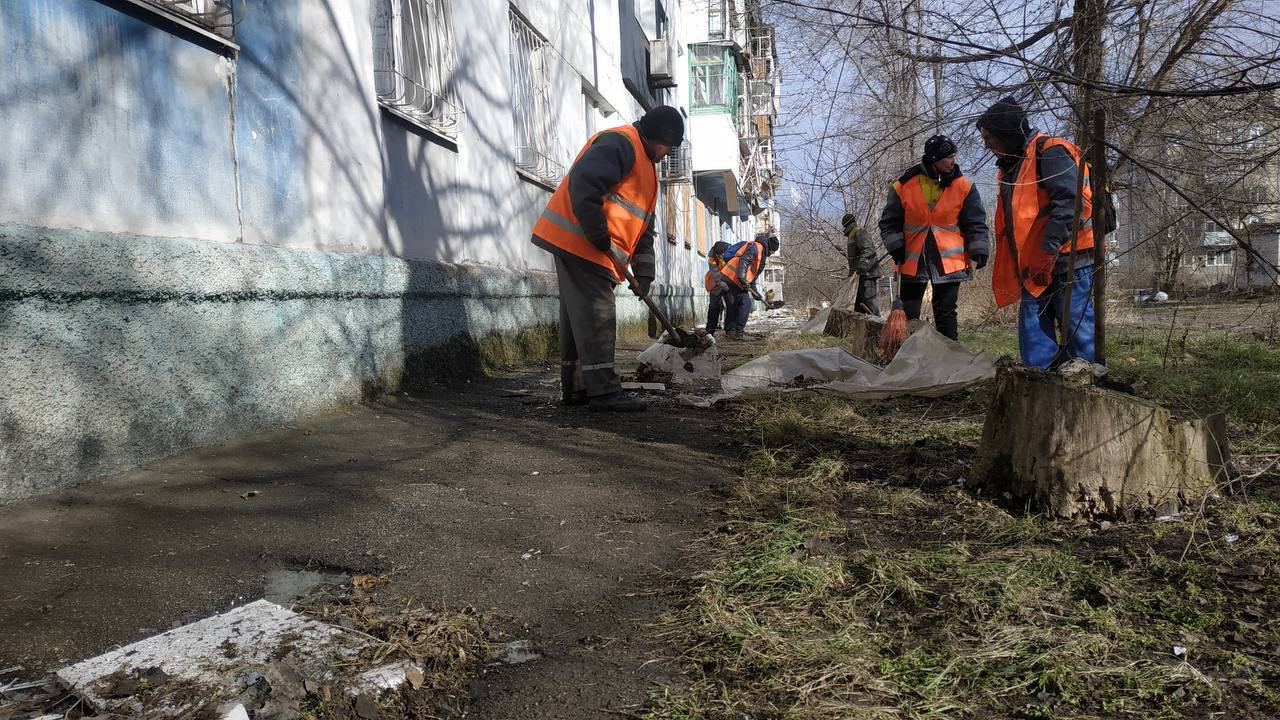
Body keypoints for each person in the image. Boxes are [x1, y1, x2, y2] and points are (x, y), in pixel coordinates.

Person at [531, 105, 683, 411]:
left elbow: (643, 228)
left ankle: (577, 389)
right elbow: (584, 184)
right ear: (658, 137)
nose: (668, 154)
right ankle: (604, 393)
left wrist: (644, 274)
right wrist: (599, 235)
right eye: (668, 147)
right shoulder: (621, 143)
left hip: (589, 249)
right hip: (584, 244)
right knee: (599, 315)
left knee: (580, 321)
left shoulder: (647, 170)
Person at [976, 97, 1097, 369]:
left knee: (1079, 337)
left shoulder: (1050, 153)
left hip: (1069, 262)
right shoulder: (1013, 165)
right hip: (1034, 266)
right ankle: (1041, 386)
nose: (987, 145)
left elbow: (1070, 204)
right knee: (1034, 335)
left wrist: (1048, 250)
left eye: (989, 138)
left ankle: (1086, 386)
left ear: (1006, 133)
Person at [878, 134, 988, 341]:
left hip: (950, 263)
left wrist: (979, 248)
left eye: (953, 156)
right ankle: (909, 356)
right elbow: (888, 223)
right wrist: (895, 246)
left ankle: (950, 357)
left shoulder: (965, 187)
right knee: (909, 313)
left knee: (946, 311)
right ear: (933, 160)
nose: (952, 161)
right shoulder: (902, 187)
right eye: (947, 157)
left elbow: (976, 222)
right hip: (911, 261)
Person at [718, 234, 777, 339]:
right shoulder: (756, 247)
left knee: (733, 305)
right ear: (770, 248)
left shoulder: (760, 252)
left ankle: (731, 331)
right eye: (773, 252)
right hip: (733, 278)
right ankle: (738, 331)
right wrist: (741, 277)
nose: (771, 254)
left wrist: (756, 294)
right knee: (745, 304)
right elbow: (744, 261)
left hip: (732, 278)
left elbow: (752, 276)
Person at [841, 214, 882, 315]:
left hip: (868, 273)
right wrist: (852, 274)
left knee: (870, 303)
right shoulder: (852, 235)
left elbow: (868, 249)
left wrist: (862, 265)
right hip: (860, 276)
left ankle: (878, 326)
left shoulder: (859, 232)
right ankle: (860, 329)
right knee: (859, 306)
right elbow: (854, 258)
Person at [703, 240, 736, 337]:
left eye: (721, 255)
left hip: (730, 281)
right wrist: (723, 284)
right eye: (718, 255)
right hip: (715, 283)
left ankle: (730, 329)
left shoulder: (731, 255)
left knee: (731, 304)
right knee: (714, 307)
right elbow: (716, 274)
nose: (720, 257)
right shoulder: (712, 258)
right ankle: (710, 331)